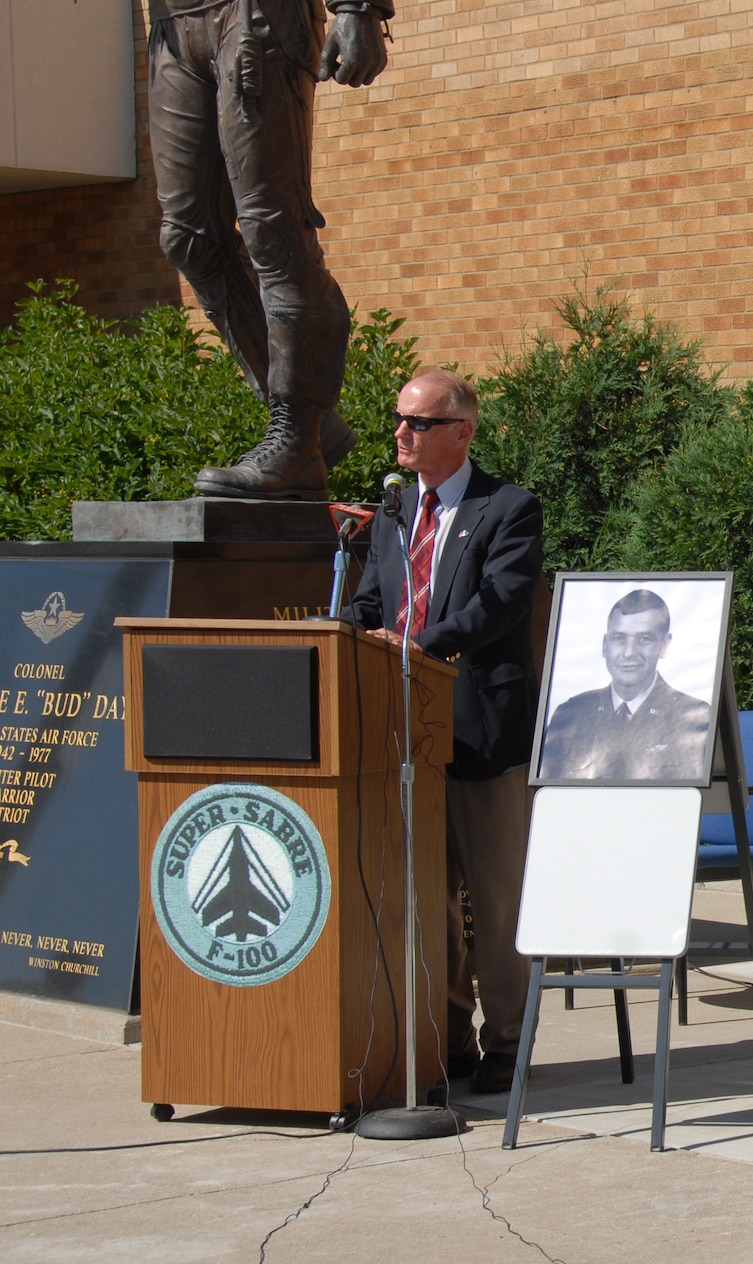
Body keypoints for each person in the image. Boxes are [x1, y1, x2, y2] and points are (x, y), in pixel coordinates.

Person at [347, 370, 543, 1095]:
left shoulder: (508, 509)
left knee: (494, 901)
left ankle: (509, 1039)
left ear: (461, 431)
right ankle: (450, 1036)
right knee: (428, 901)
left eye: (417, 423)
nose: (401, 433)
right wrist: (351, 633)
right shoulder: (394, 512)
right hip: (405, 741)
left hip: (483, 734)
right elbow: (372, 600)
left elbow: (502, 602)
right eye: (398, 419)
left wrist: (423, 645)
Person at [151, 0, 390, 500]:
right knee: (188, 238)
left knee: (273, 231)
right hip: (173, 27)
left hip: (259, 16)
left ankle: (296, 434)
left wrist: (360, 8)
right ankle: (309, 420)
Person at [539, 590, 713, 781]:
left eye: (644, 639)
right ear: (605, 645)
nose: (629, 652)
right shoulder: (570, 715)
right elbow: (549, 795)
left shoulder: (693, 717)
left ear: (664, 644)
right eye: (619, 639)